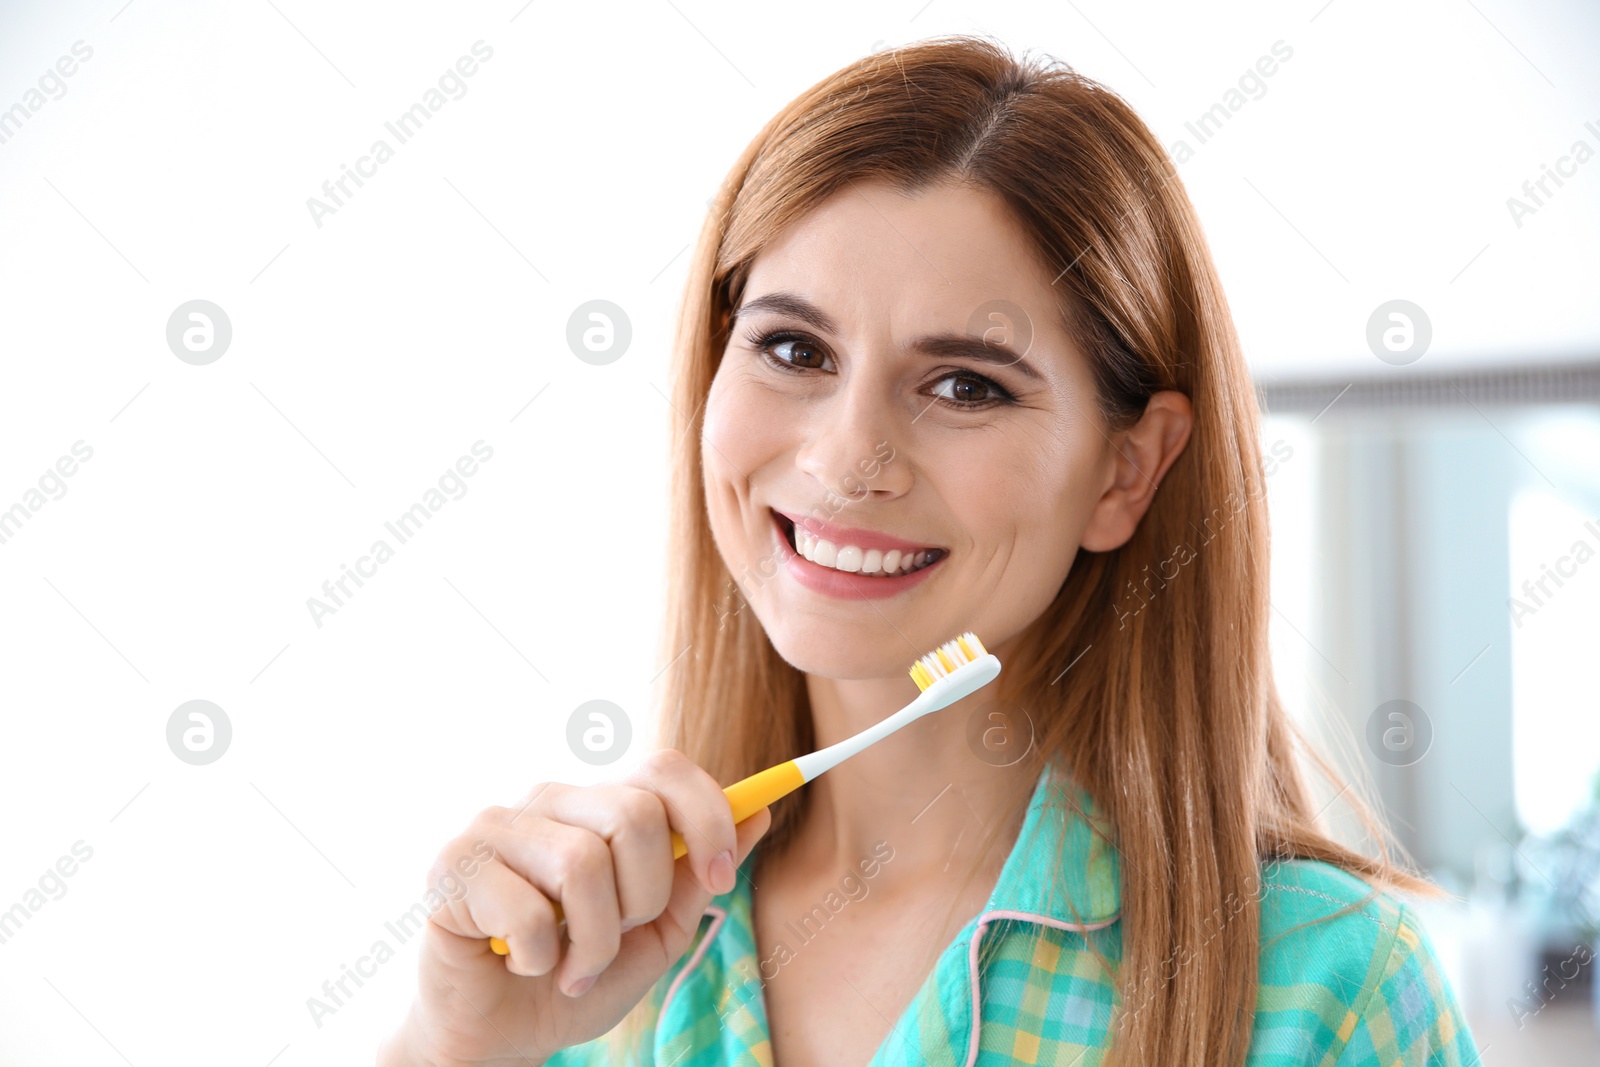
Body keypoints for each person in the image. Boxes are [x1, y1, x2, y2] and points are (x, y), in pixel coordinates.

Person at [379, 34, 1482, 1066]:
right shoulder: (586, 954)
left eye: (965, 384)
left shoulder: (1322, 987)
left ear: (1126, 470)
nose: (847, 458)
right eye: (792, 347)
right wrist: (451, 1048)